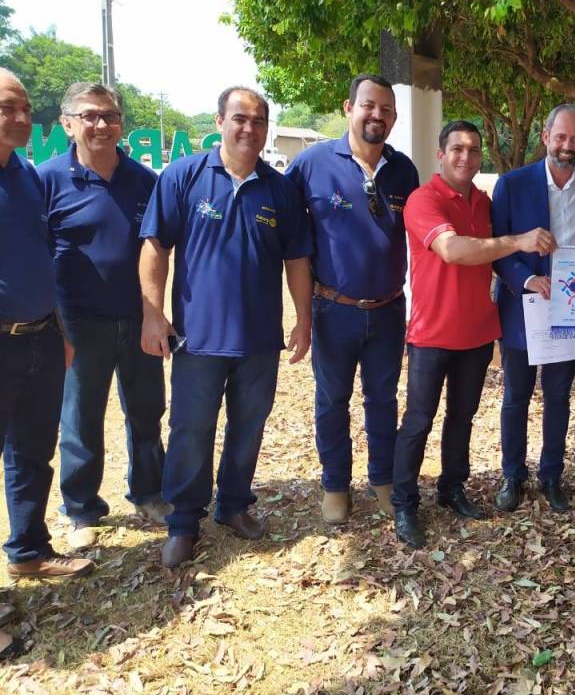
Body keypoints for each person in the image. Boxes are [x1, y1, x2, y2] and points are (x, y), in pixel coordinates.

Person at [139, 86, 313, 568]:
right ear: (219, 122)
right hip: (198, 338)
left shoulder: (280, 189)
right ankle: (183, 522)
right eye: (239, 118)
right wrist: (153, 313)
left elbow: (297, 259)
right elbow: (155, 246)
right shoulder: (184, 176)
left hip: (259, 340)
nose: (248, 129)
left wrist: (304, 319)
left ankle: (233, 505)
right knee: (191, 429)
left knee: (248, 427)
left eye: (258, 121)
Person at [391, 121, 555, 548]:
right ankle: (404, 503)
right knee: (418, 420)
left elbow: (497, 254)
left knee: (462, 417)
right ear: (441, 154)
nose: (466, 157)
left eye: (474, 150)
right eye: (457, 149)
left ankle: (452, 487)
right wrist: (518, 241)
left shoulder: (483, 202)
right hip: (431, 332)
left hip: (478, 333)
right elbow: (453, 250)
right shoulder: (423, 200)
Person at [39, 82, 169, 552]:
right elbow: (35, 256)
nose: (101, 124)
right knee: (80, 420)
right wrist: (53, 324)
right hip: (76, 325)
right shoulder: (46, 180)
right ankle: (81, 509)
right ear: (67, 124)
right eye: (90, 116)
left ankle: (149, 493)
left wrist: (156, 314)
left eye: (110, 116)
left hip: (138, 320)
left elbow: (158, 250)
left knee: (147, 413)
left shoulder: (145, 181)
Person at [286, 75, 419, 523]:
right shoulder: (312, 164)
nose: (376, 115)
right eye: (368, 105)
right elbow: (291, 241)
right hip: (332, 310)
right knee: (332, 400)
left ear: (394, 118)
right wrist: (302, 316)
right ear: (349, 108)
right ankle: (335, 485)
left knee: (383, 399)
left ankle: (382, 479)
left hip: (388, 310)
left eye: (386, 109)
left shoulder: (403, 171)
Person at [0, 68, 94, 660]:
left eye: (24, 106)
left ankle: (29, 550)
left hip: (38, 337)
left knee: (33, 452)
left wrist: (57, 327)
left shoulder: (26, 176)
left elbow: (43, 257)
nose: (19, 117)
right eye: (6, 107)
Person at [491, 103, 575, 514]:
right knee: (516, 395)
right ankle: (513, 475)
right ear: (546, 136)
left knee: (559, 394)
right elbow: (497, 247)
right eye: (561, 137)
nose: (568, 145)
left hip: (573, 307)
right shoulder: (512, 184)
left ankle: (551, 475)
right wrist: (527, 279)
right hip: (524, 307)